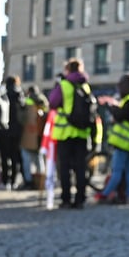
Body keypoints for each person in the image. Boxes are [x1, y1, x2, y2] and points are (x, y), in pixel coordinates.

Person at [48, 58, 94, 209]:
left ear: (67, 69)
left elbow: (53, 102)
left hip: (65, 133)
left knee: (65, 168)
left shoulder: (64, 85)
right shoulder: (86, 86)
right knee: (81, 167)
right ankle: (80, 198)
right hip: (81, 132)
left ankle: (66, 198)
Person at [95, 73, 129, 205]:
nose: (119, 88)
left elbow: (122, 115)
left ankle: (106, 194)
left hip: (124, 142)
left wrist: (110, 106)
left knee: (117, 170)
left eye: (121, 85)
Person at [0, 75, 25, 189]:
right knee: (14, 156)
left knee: (4, 157)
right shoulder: (19, 94)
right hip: (17, 130)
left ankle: (5, 181)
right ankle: (13, 181)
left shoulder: (2, 94)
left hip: (3, 129)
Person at [20, 85, 48, 190]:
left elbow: (22, 117)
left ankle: (29, 181)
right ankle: (41, 181)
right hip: (41, 135)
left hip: (29, 135)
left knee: (27, 159)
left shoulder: (27, 101)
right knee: (39, 159)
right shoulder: (44, 101)